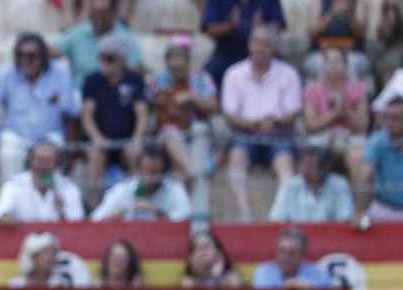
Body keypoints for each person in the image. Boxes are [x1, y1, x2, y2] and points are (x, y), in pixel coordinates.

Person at [221, 24, 301, 220]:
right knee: (236, 159)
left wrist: (273, 123)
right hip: (244, 135)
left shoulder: (289, 74)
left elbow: (291, 115)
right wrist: (256, 125)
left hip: (279, 136)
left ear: (275, 47)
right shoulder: (234, 73)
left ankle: (280, 215)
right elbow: (230, 116)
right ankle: (246, 213)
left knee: (285, 167)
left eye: (265, 44)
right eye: (255, 42)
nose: (259, 48)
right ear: (249, 45)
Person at [0, 33, 81, 179]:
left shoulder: (60, 74)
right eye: (21, 55)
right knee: (9, 153)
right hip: (15, 133)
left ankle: (46, 197)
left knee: (48, 160)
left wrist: (70, 154)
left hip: (49, 134)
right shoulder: (7, 73)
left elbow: (71, 115)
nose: (25, 60)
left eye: (31, 56)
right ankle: (14, 198)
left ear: (43, 56)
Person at [81, 34, 152, 205]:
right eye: (102, 57)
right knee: (96, 155)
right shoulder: (92, 80)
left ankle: (139, 204)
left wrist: (136, 140)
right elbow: (87, 116)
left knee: (136, 155)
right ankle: (94, 210)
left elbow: (142, 115)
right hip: (100, 141)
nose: (104, 62)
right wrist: (97, 138)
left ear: (122, 59)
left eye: (109, 58)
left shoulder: (135, 80)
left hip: (126, 141)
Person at [150, 40, 220, 178]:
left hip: (195, 130)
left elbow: (214, 107)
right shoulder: (160, 80)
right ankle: (195, 172)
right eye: (173, 69)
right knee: (168, 133)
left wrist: (192, 98)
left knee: (178, 166)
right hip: (169, 132)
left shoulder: (201, 78)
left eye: (180, 68)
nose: (177, 72)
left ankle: (191, 174)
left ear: (188, 63)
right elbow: (148, 103)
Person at [304, 45, 372, 180]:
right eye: (329, 61)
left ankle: (359, 201)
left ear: (346, 66)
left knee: (357, 159)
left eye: (337, 62)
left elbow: (361, 126)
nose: (333, 66)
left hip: (351, 138)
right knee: (315, 158)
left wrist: (346, 109)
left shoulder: (358, 89)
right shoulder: (312, 89)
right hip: (322, 137)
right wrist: (334, 114)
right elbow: (310, 126)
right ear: (323, 66)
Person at [0, 139, 88, 225]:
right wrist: (7, 217)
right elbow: (0, 213)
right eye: (39, 160)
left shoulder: (68, 187)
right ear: (30, 161)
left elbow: (77, 224)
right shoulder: (14, 184)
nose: (42, 167)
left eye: (48, 161)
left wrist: (62, 212)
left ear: (57, 164)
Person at [92, 143, 195, 220]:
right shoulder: (123, 190)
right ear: (138, 169)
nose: (148, 177)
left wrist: (157, 212)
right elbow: (94, 219)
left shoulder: (174, 190)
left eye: (154, 172)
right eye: (145, 171)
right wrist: (113, 216)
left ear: (164, 172)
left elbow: (186, 217)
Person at [57, 0, 145, 87]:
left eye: (104, 14)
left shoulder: (124, 36)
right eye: (96, 13)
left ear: (113, 13)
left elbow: (136, 68)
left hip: (111, 95)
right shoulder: (79, 32)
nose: (99, 18)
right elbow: (52, 51)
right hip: (80, 94)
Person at [202, 0, 288, 85]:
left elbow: (279, 25)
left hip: (262, 52)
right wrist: (230, 25)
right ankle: (214, 99)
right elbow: (210, 29)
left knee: (287, 72)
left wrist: (263, 27)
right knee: (205, 76)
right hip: (228, 54)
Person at [269, 146, 357, 221]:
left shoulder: (339, 185)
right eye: (303, 165)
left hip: (329, 239)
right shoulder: (290, 186)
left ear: (324, 170)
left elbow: (346, 219)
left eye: (310, 167)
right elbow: (276, 219)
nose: (304, 171)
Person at [357, 97, 403, 220]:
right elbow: (365, 174)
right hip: (383, 207)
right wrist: (360, 212)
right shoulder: (378, 140)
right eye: (386, 117)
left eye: (395, 118)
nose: (389, 122)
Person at [304, 0, 372, 80]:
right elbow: (312, 32)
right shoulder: (320, 2)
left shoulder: (358, 2)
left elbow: (361, 33)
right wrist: (332, 14)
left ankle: (350, 92)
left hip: (353, 53)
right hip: (320, 52)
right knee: (325, 65)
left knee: (349, 64)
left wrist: (349, 15)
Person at [251, 226, 332, 288]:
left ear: (302, 255)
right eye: (281, 252)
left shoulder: (319, 275)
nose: (285, 258)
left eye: (292, 253)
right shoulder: (264, 272)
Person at [178, 229, 246, 286]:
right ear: (192, 256)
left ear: (218, 251)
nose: (202, 251)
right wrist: (196, 274)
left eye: (206, 246)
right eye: (197, 247)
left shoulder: (233, 278)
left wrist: (217, 277)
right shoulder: (187, 280)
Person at [8, 232, 73, 287]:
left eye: (53, 251)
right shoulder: (18, 285)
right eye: (44, 251)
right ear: (33, 256)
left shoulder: (61, 284)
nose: (50, 256)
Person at [378, 0, 403, 88]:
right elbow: (383, 36)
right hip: (396, 46)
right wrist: (385, 13)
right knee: (389, 61)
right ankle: (391, 96)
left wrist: (400, 6)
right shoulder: (392, 5)